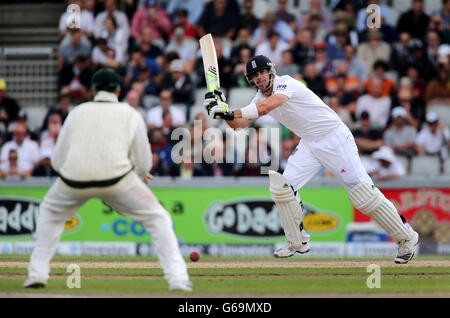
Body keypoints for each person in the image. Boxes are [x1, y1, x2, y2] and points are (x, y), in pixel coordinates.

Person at [203, 55, 419, 263]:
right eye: (255, 75)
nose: (259, 77)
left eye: (262, 72)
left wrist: (230, 112)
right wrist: (221, 110)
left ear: (271, 72)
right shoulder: (258, 98)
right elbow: (237, 125)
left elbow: (267, 107)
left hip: (334, 138)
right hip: (309, 143)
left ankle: (406, 237)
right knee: (283, 188)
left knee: (363, 194)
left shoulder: (286, 84)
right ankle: (297, 242)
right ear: (251, 80)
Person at [23, 68, 192, 292]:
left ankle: (37, 273)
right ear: (119, 90)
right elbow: (144, 163)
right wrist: (140, 177)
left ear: (93, 91)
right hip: (117, 180)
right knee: (158, 218)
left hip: (73, 181)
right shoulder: (130, 113)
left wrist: (76, 171)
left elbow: (56, 161)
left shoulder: (77, 111)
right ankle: (178, 279)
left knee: (49, 212)